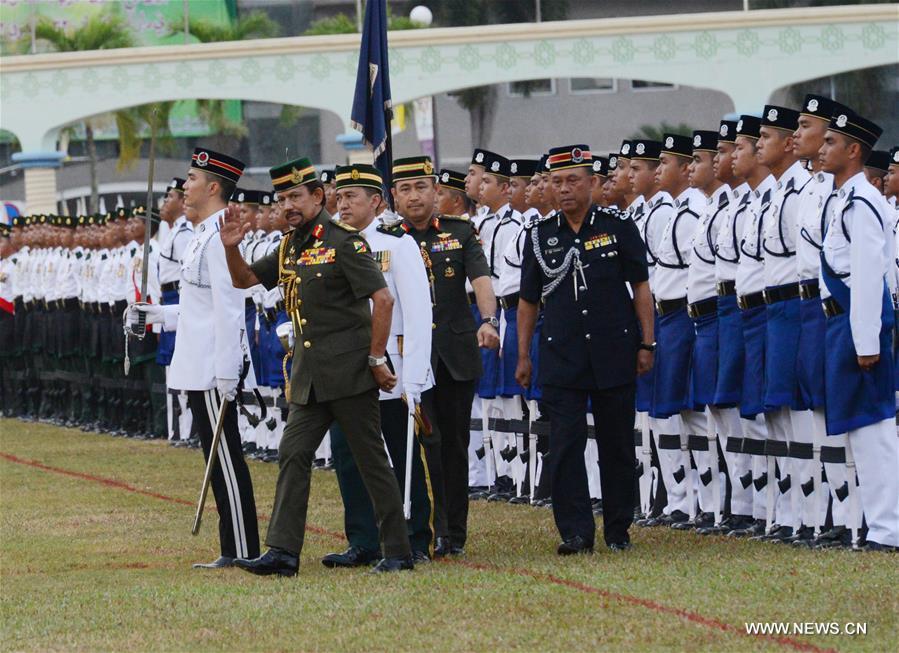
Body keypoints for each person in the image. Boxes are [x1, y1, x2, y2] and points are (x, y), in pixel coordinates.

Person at [221, 156, 413, 575]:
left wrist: (376, 357)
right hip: (309, 376)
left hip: (349, 373)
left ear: (318, 196)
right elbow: (244, 280)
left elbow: (383, 300)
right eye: (281, 198)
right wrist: (231, 247)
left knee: (371, 461)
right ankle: (284, 552)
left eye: (295, 196)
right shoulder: (291, 244)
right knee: (293, 454)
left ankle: (398, 550)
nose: (287, 204)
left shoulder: (344, 241)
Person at [516, 144, 654, 554]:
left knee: (616, 444)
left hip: (614, 350)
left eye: (573, 180)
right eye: (556, 182)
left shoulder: (618, 227)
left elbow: (641, 288)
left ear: (593, 183)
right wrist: (523, 354)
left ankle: (618, 529)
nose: (564, 190)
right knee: (564, 446)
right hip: (562, 356)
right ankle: (576, 531)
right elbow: (528, 300)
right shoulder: (540, 237)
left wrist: (647, 342)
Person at [127, 148, 260, 568]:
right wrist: (158, 315)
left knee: (225, 459)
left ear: (214, 186)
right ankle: (231, 547)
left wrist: (226, 372)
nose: (185, 186)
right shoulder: (202, 233)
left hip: (212, 367)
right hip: (198, 361)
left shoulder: (222, 234)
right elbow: (198, 307)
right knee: (215, 459)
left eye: (192, 179)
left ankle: (243, 549)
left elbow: (229, 306)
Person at [321, 163, 435, 567]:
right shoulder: (331, 245)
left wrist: (417, 374)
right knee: (349, 455)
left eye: (352, 196)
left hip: (394, 365)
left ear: (377, 202)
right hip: (344, 368)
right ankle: (363, 539)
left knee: (399, 453)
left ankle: (415, 537)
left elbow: (419, 312)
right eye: (339, 195)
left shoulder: (397, 245)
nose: (343, 203)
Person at [392, 155, 499, 557]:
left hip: (455, 355)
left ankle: (453, 531)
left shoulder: (460, 232)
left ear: (436, 192)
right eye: (405, 189)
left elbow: (481, 280)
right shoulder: (387, 239)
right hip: (408, 357)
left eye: (422, 187)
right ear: (394, 197)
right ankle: (426, 527)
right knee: (426, 442)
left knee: (453, 443)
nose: (415, 196)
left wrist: (488, 320)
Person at [818, 109, 898, 551]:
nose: (823, 149)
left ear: (853, 151)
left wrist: (866, 341)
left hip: (857, 324)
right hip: (842, 323)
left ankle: (889, 530)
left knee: (875, 430)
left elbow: (870, 278)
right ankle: (880, 523)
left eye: (832, 142)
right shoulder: (847, 200)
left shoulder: (863, 202)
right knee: (861, 430)